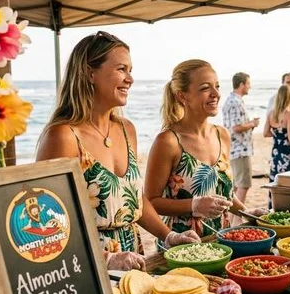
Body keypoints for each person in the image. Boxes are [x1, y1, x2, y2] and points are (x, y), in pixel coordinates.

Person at [36, 31, 199, 271]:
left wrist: (169, 236)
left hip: (132, 257)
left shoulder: (126, 129)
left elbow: (133, 199)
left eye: (130, 70)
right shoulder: (63, 136)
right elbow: (45, 222)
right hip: (86, 265)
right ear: (89, 73)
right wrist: (106, 258)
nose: (130, 79)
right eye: (122, 69)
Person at [144, 60, 268, 239]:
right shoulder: (168, 141)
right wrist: (193, 205)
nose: (216, 93)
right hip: (183, 247)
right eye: (205, 88)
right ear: (182, 96)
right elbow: (150, 202)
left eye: (217, 86)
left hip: (224, 241)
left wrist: (246, 212)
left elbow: (223, 194)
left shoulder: (222, 135)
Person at [222, 72, 259, 205]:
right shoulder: (236, 102)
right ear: (242, 84)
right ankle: (236, 219)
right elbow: (236, 128)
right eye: (248, 83)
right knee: (243, 185)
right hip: (240, 150)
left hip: (234, 148)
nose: (250, 86)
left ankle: (232, 219)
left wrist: (249, 125)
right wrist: (252, 124)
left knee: (236, 186)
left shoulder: (231, 100)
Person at [264, 85, 290, 205]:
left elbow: (265, 133)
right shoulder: (289, 114)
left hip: (276, 152)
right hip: (287, 152)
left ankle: (274, 205)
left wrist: (277, 135)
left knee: (276, 179)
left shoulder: (271, 114)